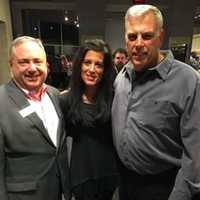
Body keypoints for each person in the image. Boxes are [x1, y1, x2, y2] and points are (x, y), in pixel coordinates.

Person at [112, 4, 200, 200]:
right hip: (125, 184)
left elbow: (196, 157)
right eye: (132, 36)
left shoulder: (188, 80)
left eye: (147, 36)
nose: (139, 43)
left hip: (163, 188)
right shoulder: (122, 76)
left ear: (160, 37)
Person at [0, 36, 70, 200]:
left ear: (47, 65)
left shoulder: (54, 94)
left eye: (37, 61)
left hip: (58, 191)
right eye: (24, 62)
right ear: (11, 65)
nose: (32, 68)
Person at [60, 39, 119, 200]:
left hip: (109, 176)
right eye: (87, 63)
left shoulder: (114, 99)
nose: (92, 69)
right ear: (79, 65)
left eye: (98, 64)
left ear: (105, 69)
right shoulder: (66, 100)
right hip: (81, 178)